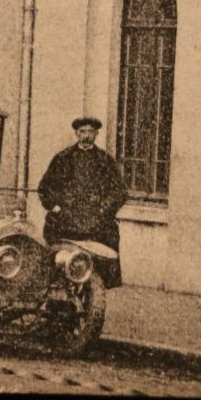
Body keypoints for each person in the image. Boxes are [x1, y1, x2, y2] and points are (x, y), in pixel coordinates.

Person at [36, 115, 124, 286]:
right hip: (66, 220)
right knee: (56, 259)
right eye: (82, 131)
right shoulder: (63, 158)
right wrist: (54, 206)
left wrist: (104, 209)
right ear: (76, 133)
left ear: (96, 134)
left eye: (90, 131)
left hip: (95, 222)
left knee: (103, 253)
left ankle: (96, 289)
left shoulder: (105, 160)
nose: (86, 135)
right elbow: (45, 187)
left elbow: (119, 190)